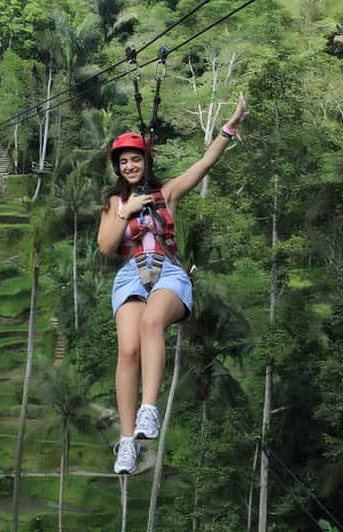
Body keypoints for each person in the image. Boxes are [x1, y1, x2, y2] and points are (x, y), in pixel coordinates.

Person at [97, 93, 246, 474]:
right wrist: (126, 211)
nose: (130, 166)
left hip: (166, 270)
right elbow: (105, 245)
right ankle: (127, 441)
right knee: (128, 350)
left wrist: (228, 129)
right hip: (131, 272)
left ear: (147, 162)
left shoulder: (168, 192)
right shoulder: (114, 202)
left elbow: (204, 163)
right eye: (124, 161)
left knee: (151, 322)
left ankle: (150, 409)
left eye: (136, 159)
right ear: (118, 168)